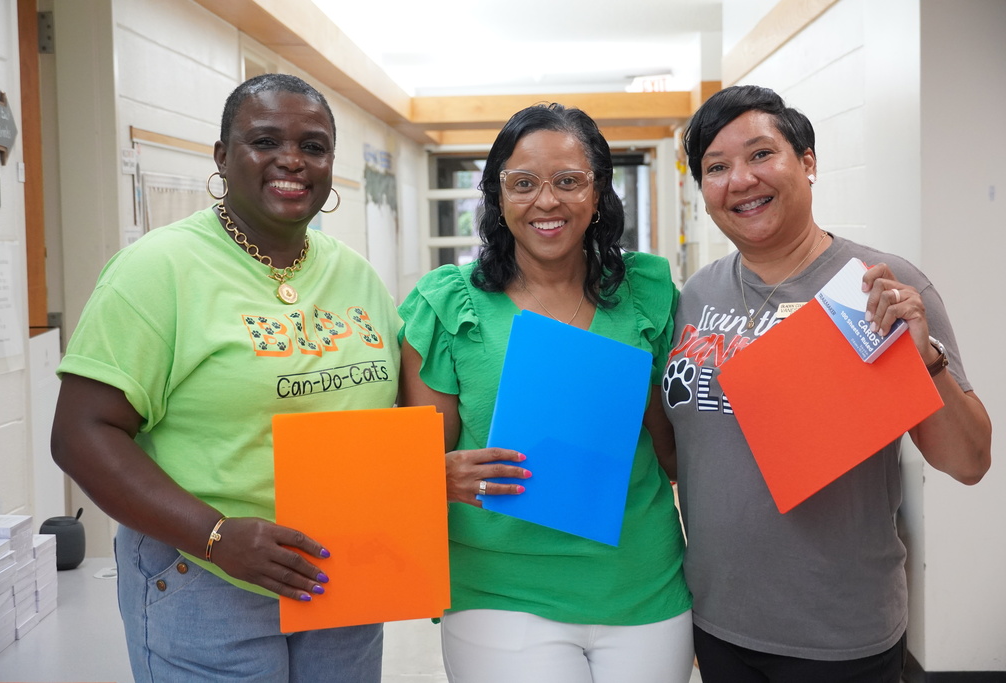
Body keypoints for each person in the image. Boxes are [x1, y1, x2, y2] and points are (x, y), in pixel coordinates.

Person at [50, 74, 401, 682]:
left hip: (340, 571)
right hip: (204, 572)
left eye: (313, 146)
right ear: (221, 156)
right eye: (265, 141)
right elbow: (81, 432)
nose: (291, 160)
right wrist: (215, 537)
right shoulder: (157, 270)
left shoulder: (358, 276)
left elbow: (382, 419)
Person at [664, 84, 991, 681]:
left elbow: (969, 462)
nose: (740, 180)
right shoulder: (694, 295)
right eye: (717, 167)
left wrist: (926, 362)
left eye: (761, 154)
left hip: (841, 635)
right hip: (716, 622)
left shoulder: (879, 289)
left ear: (808, 164)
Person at [398, 103, 693, 683]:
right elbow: (419, 470)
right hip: (500, 591)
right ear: (496, 195)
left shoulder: (647, 293)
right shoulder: (449, 304)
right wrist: (437, 473)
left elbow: (674, 449)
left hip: (642, 584)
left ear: (599, 190)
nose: (547, 201)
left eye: (568, 181)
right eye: (523, 183)